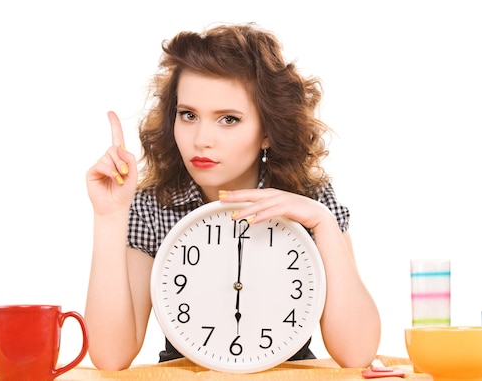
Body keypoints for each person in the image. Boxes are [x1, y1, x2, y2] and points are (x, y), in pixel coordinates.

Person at [84, 22, 381, 371]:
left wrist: (323, 223)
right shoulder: (154, 205)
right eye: (188, 115)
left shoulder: (308, 198)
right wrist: (109, 216)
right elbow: (110, 356)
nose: (201, 139)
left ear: (268, 130)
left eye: (228, 119)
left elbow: (357, 354)